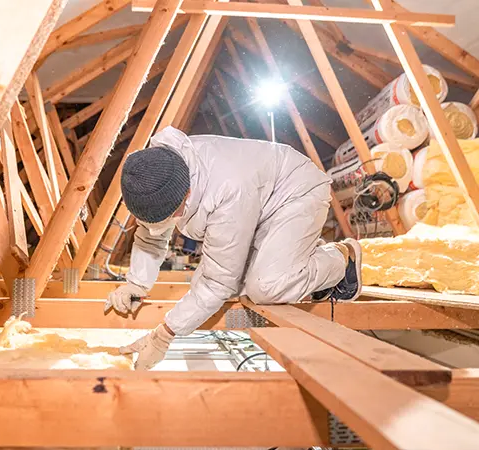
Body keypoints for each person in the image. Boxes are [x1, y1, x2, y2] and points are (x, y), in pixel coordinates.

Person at [108, 126, 362, 370]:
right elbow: (151, 235)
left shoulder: (226, 189)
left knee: (266, 287)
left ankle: (342, 257)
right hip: (257, 203)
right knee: (211, 290)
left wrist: (164, 335)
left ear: (184, 195)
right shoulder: (153, 175)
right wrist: (137, 284)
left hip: (294, 192)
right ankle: (295, 256)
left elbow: (218, 283)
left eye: (171, 216)